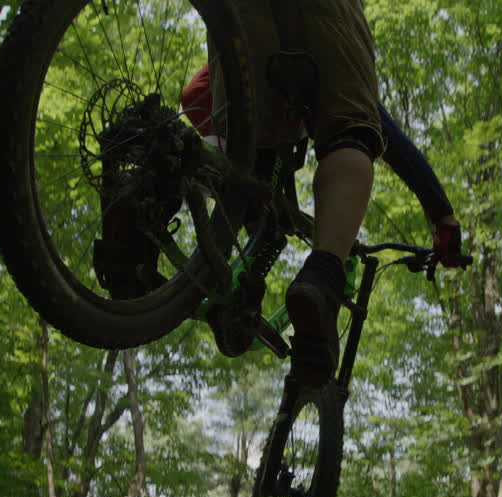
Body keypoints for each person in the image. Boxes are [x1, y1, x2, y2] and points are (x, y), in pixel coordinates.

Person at [182, 61, 466, 385]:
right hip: (278, 101)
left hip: (226, 81)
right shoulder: (335, 55)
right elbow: (394, 142)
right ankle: (307, 276)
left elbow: (194, 96)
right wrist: (443, 216)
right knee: (356, 128)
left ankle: (166, 189)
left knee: (238, 151)